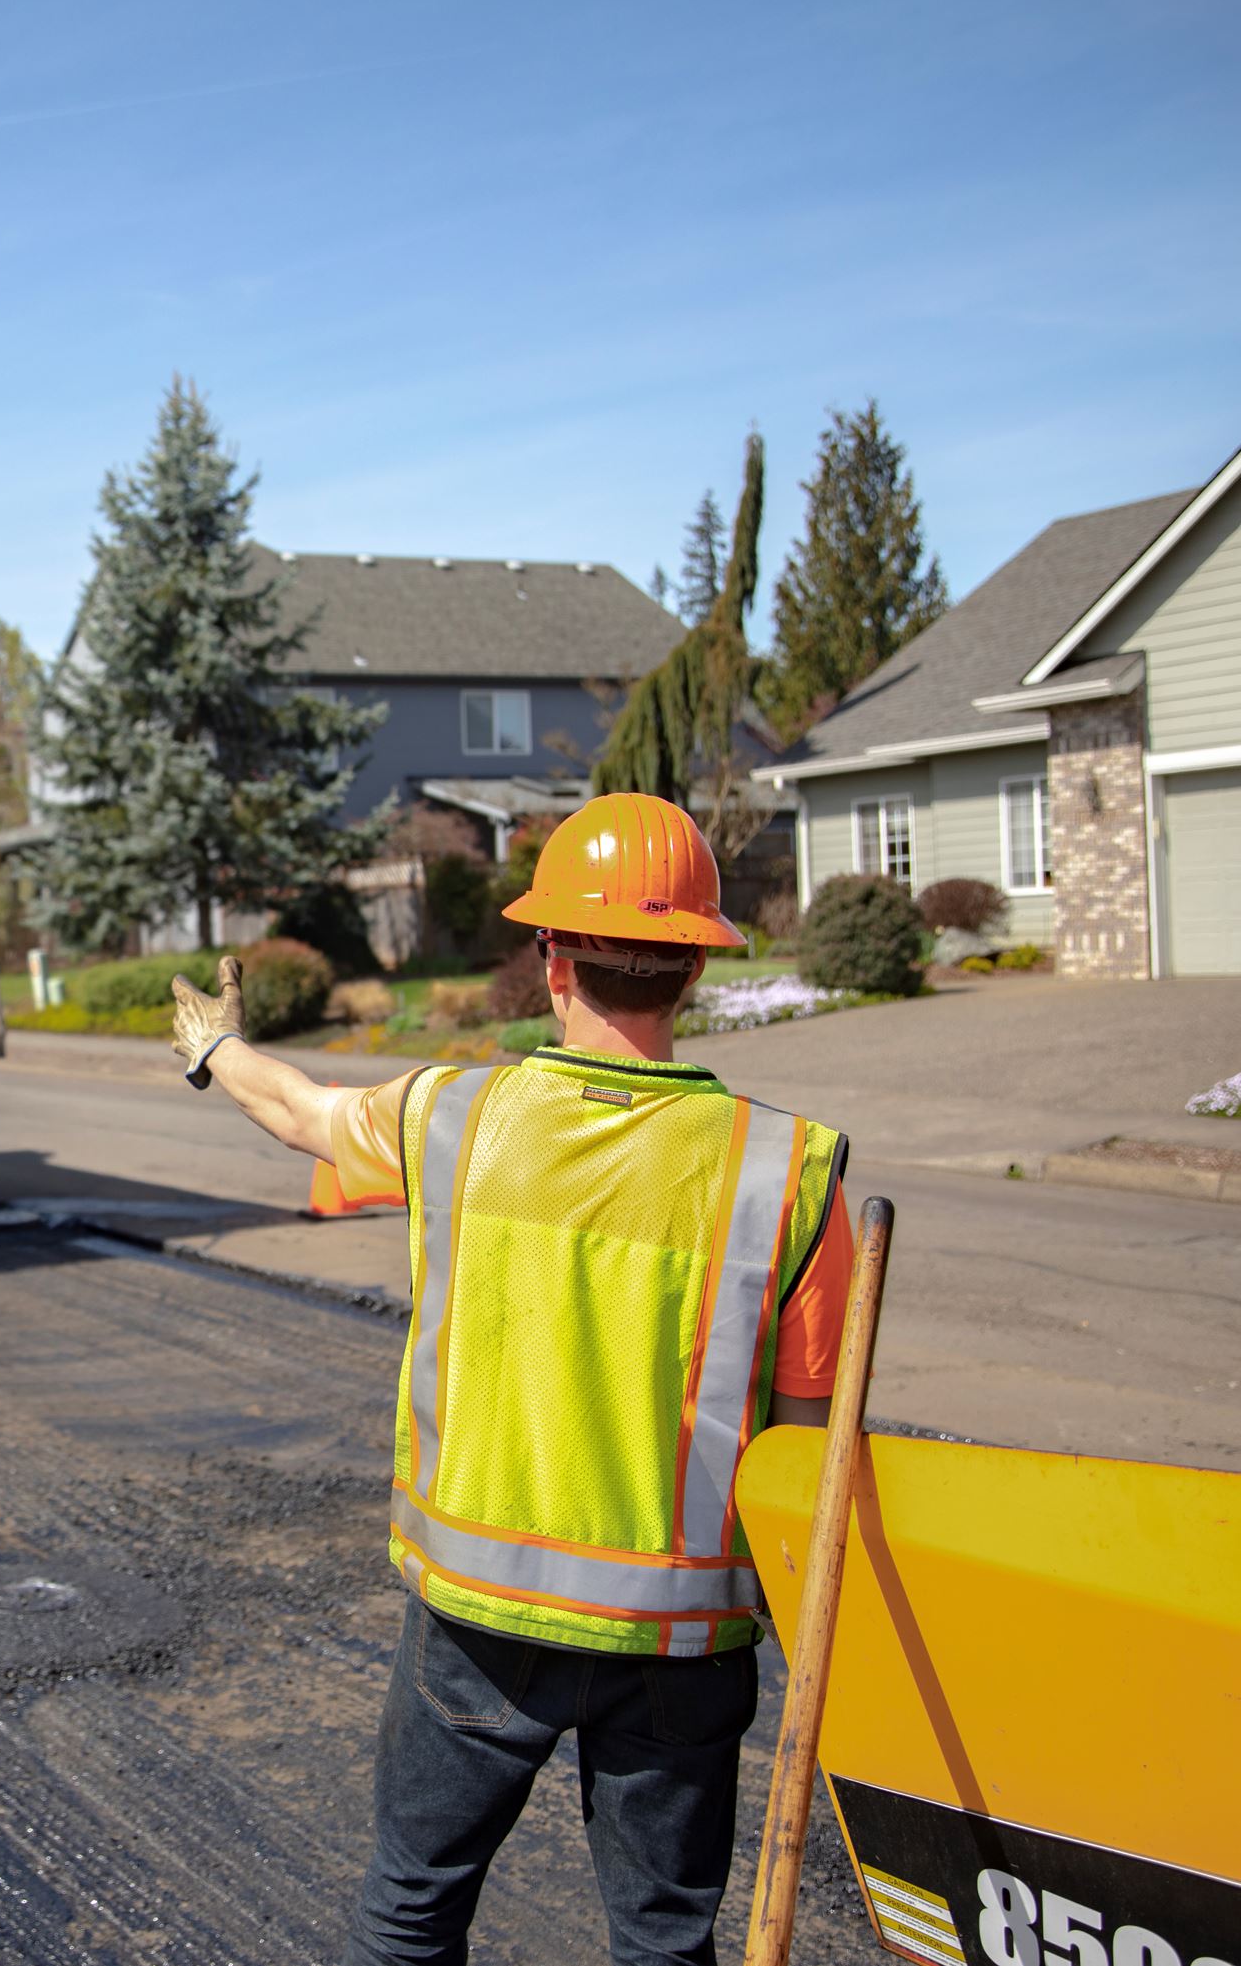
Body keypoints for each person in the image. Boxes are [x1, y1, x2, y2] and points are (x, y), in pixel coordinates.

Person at [168, 792, 853, 1966]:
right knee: (659, 1942)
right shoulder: (788, 1175)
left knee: (412, 1905)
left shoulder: (452, 1118)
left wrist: (216, 1050)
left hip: (475, 1623)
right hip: (678, 1645)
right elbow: (803, 1457)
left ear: (549, 960)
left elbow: (302, 1113)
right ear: (691, 969)